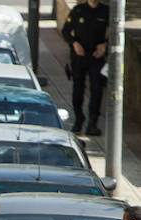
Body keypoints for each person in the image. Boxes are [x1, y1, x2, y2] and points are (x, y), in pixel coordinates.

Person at [62, 0, 108, 135]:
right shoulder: (78, 11)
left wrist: (105, 45)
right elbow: (66, 31)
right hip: (79, 56)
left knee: (97, 89)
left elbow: (114, 32)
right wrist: (74, 44)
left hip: (96, 56)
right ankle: (78, 119)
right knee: (78, 88)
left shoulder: (105, 11)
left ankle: (92, 123)